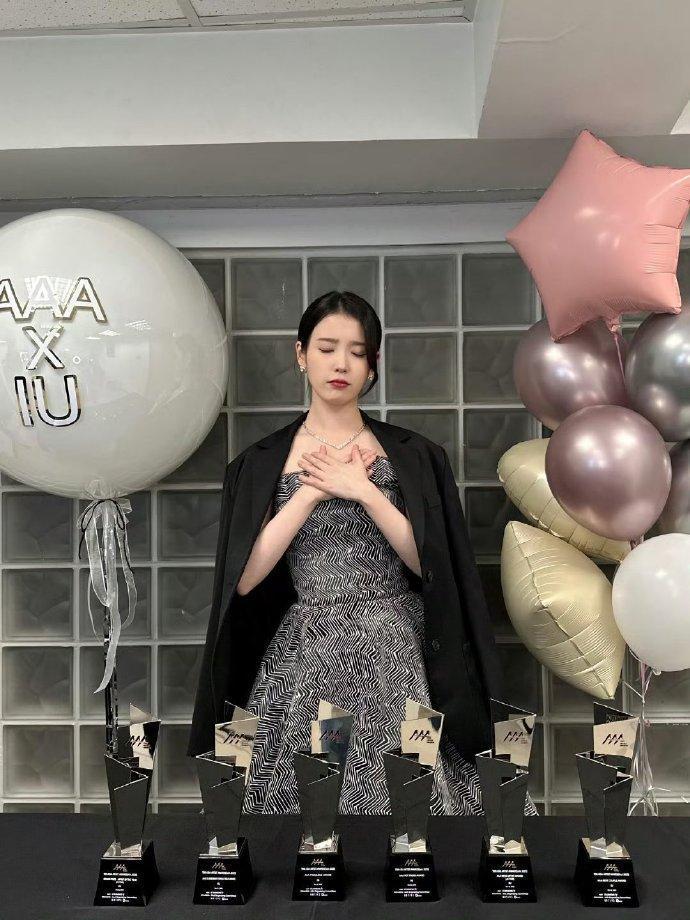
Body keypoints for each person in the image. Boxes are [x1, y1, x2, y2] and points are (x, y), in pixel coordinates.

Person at [188, 290, 538, 817]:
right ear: (301, 354)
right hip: (308, 647)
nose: (341, 364)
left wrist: (365, 491)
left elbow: (433, 566)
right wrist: (310, 491)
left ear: (373, 364)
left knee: (413, 797)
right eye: (327, 348)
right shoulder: (258, 463)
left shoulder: (416, 456)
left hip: (396, 644)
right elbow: (244, 579)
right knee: (308, 802)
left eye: (357, 352)